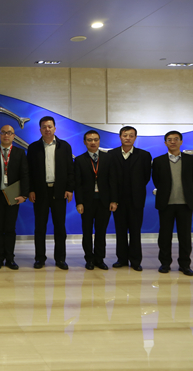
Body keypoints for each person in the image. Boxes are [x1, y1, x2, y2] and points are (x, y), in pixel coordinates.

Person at [27, 116, 74, 270]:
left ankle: (60, 259)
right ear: (40, 129)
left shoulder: (64, 146)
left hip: (59, 192)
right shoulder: (33, 147)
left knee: (60, 227)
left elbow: (70, 170)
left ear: (55, 128)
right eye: (44, 127)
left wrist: (69, 189)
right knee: (40, 227)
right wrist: (31, 190)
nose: (47, 129)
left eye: (49, 126)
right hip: (40, 192)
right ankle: (40, 258)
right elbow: (29, 172)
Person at [152, 131, 193, 276]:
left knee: (185, 236)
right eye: (169, 139)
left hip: (185, 204)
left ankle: (185, 265)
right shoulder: (158, 161)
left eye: (176, 139)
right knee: (164, 236)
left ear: (181, 142)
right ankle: (165, 263)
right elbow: (156, 181)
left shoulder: (191, 160)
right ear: (165, 143)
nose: (173, 142)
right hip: (166, 204)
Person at [108, 126, 152, 271]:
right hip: (118, 200)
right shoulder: (111, 154)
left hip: (136, 200)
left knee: (135, 231)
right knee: (120, 231)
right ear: (120, 137)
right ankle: (121, 259)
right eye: (125, 135)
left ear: (135, 138)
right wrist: (113, 199)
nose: (128, 138)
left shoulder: (144, 155)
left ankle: (135, 261)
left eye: (131, 135)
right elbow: (110, 179)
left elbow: (146, 177)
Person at [74, 130, 118, 270]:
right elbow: (77, 184)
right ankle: (89, 259)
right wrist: (79, 202)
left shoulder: (108, 158)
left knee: (101, 232)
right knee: (87, 232)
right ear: (84, 142)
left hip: (104, 201)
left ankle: (99, 259)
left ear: (99, 141)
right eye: (89, 140)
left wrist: (114, 200)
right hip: (87, 202)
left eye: (95, 140)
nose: (93, 142)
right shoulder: (79, 160)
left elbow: (113, 181)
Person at [0, 125, 28, 270]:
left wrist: (24, 195)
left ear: (13, 136)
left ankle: (10, 258)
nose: (6, 135)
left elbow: (25, 175)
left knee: (10, 228)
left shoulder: (20, 153)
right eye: (3, 133)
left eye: (9, 133)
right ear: (0, 135)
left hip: (13, 195)